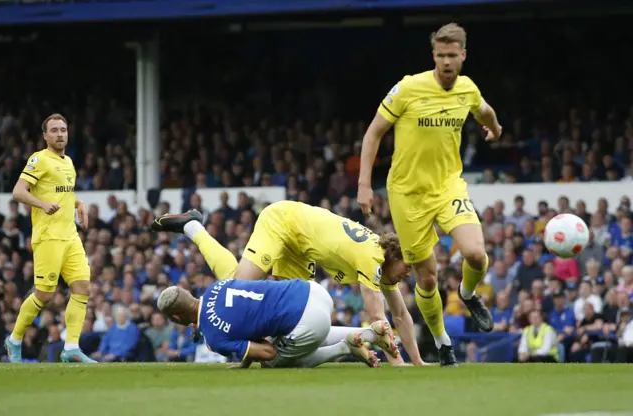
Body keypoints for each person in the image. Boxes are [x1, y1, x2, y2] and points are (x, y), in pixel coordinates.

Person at [357, 22, 502, 366]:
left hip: (448, 186)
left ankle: (467, 294)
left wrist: (495, 129)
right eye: (441, 55)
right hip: (407, 194)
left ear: (463, 55)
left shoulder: (467, 88)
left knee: (476, 255)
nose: (447, 62)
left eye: (453, 55)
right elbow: (373, 133)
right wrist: (364, 184)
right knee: (427, 277)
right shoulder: (408, 88)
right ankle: (442, 342)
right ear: (433, 55)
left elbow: (484, 111)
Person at [151, 202, 428, 366]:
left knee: (297, 320)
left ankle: (350, 344)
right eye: (408, 268)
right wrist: (398, 364)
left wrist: (416, 361)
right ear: (395, 255)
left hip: (301, 246)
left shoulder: (382, 261)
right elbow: (379, 318)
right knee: (233, 285)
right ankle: (193, 227)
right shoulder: (373, 258)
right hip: (283, 222)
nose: (408, 275)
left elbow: (401, 315)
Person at [4, 113, 96, 363]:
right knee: (44, 294)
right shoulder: (39, 159)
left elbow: (64, 193)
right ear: (45, 135)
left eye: (63, 130)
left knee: (83, 287)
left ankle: (71, 348)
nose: (59, 134)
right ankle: (14, 340)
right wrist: (41, 204)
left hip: (70, 236)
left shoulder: (68, 162)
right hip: (48, 237)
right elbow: (18, 192)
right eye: (54, 130)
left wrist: (79, 203)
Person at [157, 279, 388, 368]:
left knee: (274, 362)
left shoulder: (214, 336)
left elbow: (267, 352)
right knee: (298, 335)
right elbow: (245, 317)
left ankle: (346, 347)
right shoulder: (220, 285)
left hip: (306, 321)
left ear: (177, 318)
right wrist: (245, 363)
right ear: (189, 294)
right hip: (313, 291)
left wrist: (248, 358)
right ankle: (369, 334)